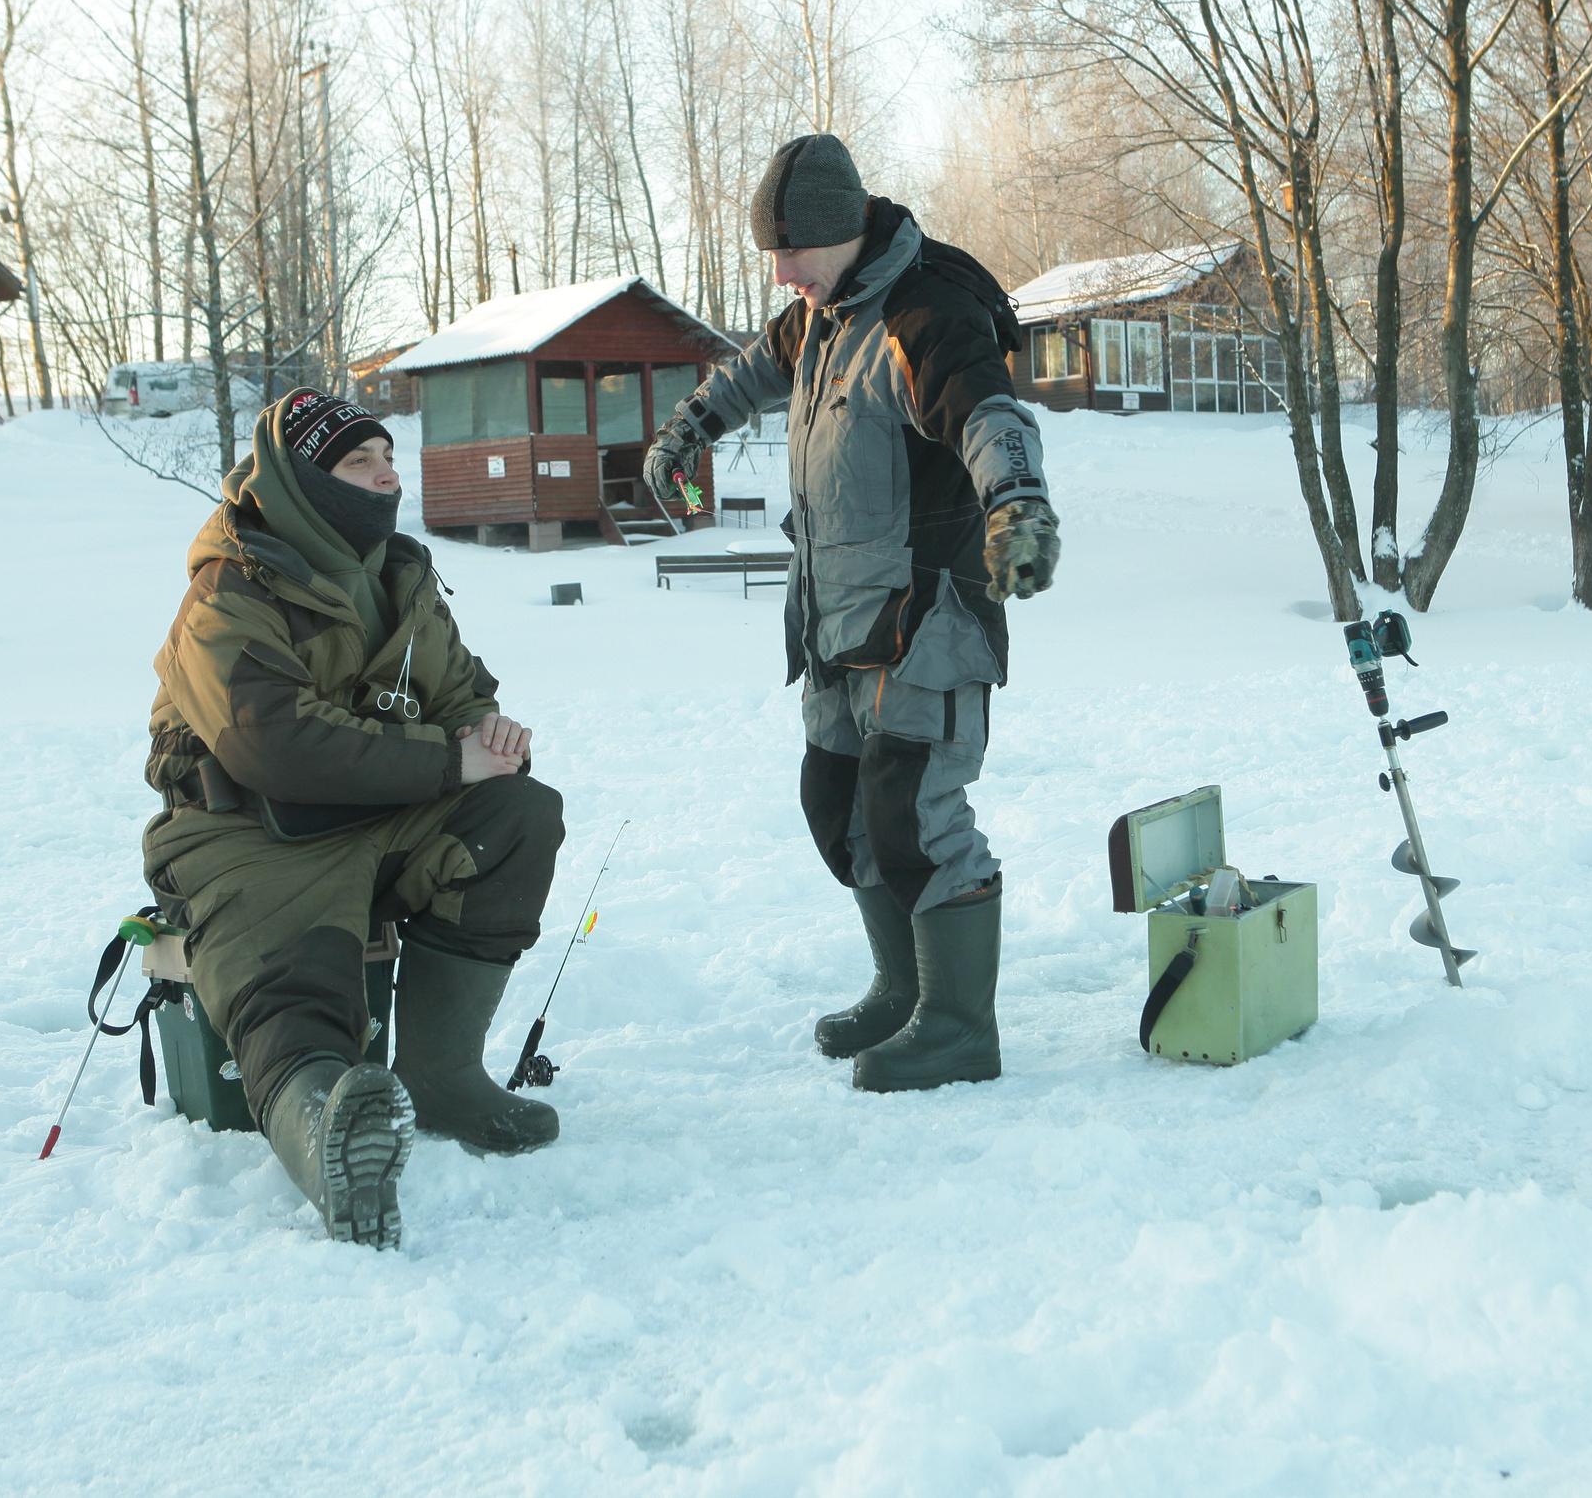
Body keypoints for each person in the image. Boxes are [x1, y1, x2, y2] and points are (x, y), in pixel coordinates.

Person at [643, 133, 1061, 1093]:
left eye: (792, 251)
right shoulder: (821, 316)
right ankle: (903, 987)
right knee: (839, 805)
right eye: (774, 254)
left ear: (842, 232)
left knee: (916, 811)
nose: (781, 272)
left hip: (928, 616)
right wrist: (686, 433)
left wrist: (1020, 506)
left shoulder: (927, 313)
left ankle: (959, 1026)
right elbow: (752, 368)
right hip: (835, 617)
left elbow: (988, 413)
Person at [141, 387, 565, 1249]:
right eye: (357, 464)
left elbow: (461, 694)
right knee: (295, 996)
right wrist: (446, 758)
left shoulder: (401, 578)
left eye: (387, 460)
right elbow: (277, 747)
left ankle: (442, 1078)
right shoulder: (227, 592)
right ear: (302, 480)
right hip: (247, 835)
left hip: (383, 815)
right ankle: (327, 1131)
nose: (384, 478)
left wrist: (489, 734)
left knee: (516, 816)